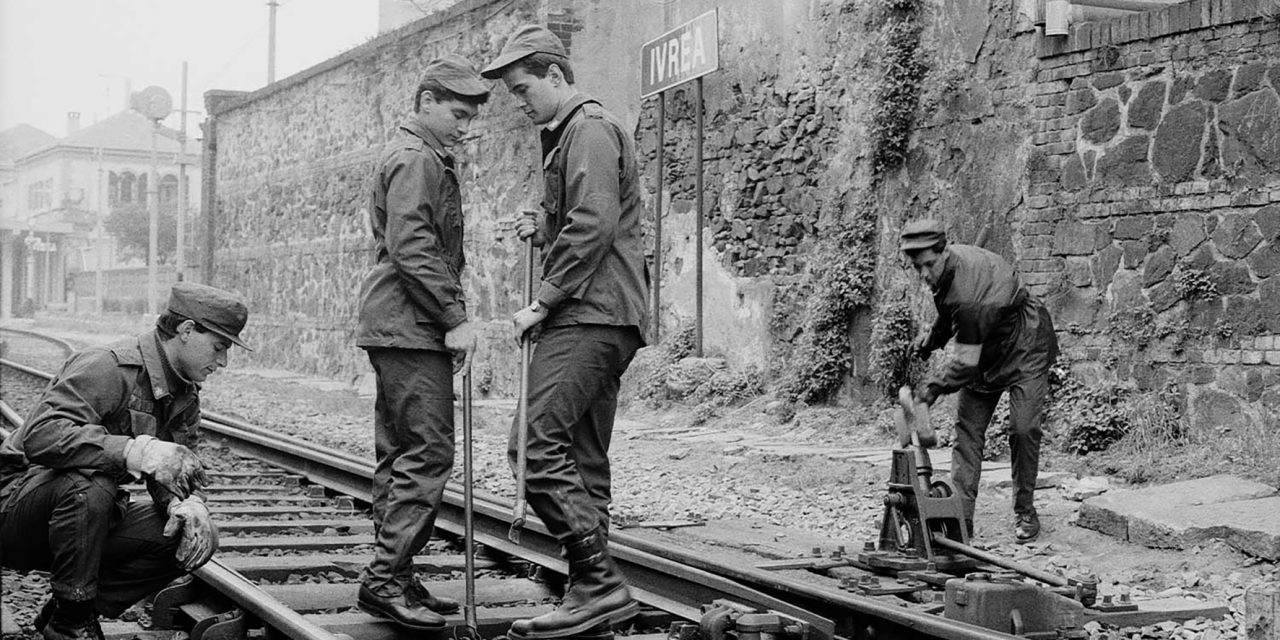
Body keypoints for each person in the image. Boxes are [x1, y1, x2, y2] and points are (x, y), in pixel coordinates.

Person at [481, 24, 650, 640]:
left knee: (532, 448)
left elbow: (594, 222)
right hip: (603, 314)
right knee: (580, 455)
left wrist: (541, 302)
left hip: (589, 313)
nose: (519, 101)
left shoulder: (591, 131)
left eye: (524, 88)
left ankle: (598, 584)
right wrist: (541, 222)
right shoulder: (569, 137)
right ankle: (590, 594)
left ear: (556, 75)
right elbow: (579, 216)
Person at [0, 282, 250, 640]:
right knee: (89, 482)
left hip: (77, 521)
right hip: (14, 509)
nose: (222, 361)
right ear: (186, 330)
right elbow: (42, 436)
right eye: (219, 347)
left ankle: (68, 615)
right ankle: (74, 625)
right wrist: (136, 451)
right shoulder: (107, 365)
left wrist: (186, 502)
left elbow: (173, 470)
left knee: (185, 533)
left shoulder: (184, 394)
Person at [352, 54, 488, 630]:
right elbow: (412, 247)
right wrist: (454, 316)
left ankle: (397, 575)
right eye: (457, 113)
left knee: (402, 454)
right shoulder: (414, 159)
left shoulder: (421, 155)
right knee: (428, 453)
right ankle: (385, 580)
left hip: (400, 325)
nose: (465, 125)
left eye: (469, 116)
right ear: (426, 102)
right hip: (410, 326)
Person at [900, 219, 1059, 544]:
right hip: (983, 347)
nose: (925, 274)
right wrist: (930, 341)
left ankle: (1025, 510)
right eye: (918, 268)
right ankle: (961, 523)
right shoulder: (948, 272)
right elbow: (949, 314)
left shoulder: (971, 297)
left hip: (1024, 342)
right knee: (968, 434)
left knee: (1023, 428)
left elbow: (964, 363)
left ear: (944, 251)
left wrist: (928, 391)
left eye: (929, 264)